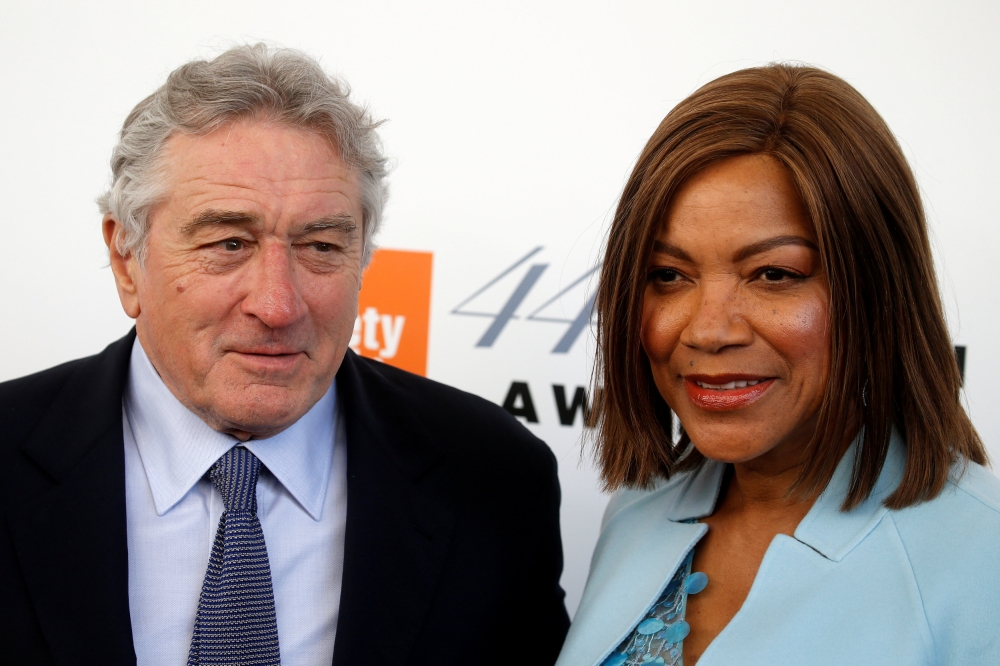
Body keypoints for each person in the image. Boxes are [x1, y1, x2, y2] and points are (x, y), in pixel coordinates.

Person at [0, 44, 569, 665]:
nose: (277, 304)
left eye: (321, 246)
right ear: (126, 260)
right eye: (229, 242)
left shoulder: (492, 478)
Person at [557, 64, 1000, 666]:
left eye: (774, 274)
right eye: (669, 275)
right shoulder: (637, 511)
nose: (709, 330)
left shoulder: (984, 557)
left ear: (877, 291)